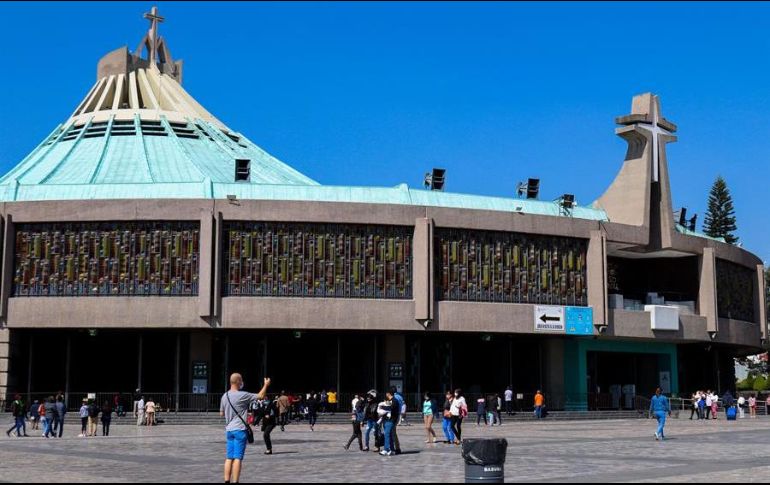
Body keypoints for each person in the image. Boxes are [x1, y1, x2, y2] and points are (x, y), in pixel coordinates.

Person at [220, 373, 271, 484]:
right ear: (238, 381)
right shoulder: (242, 395)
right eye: (241, 380)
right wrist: (266, 385)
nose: (242, 382)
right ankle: (236, 481)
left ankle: (226, 481)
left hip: (229, 430)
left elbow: (221, 413)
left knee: (229, 457)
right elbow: (260, 396)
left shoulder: (225, 396)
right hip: (239, 430)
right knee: (238, 458)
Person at [390, 387, 404, 454]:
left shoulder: (394, 397)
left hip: (394, 415)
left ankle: (396, 448)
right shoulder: (400, 397)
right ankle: (395, 447)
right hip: (398, 414)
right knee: (393, 431)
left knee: (392, 432)